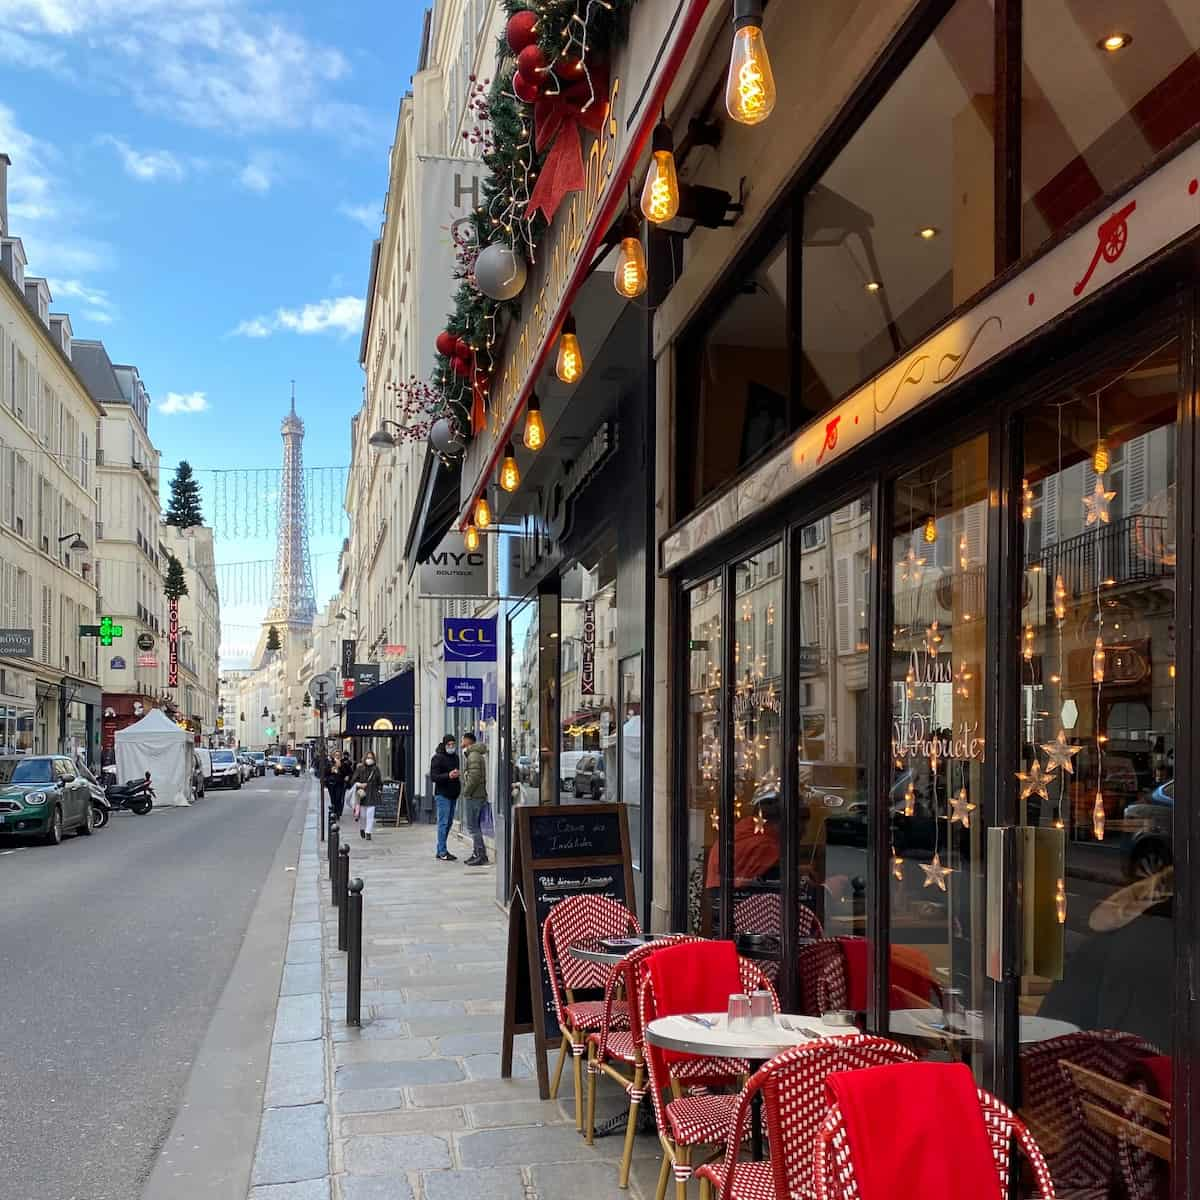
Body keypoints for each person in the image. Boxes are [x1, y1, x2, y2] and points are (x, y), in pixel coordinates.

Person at [459, 731, 489, 867]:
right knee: (474, 826)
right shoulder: (473, 755)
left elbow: (474, 777)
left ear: (468, 741)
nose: (461, 743)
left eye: (462, 740)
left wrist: (466, 792)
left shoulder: (474, 756)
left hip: (474, 796)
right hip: (476, 795)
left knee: (473, 826)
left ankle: (480, 855)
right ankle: (478, 853)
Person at [430, 734, 461, 862]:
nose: (451, 747)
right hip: (442, 794)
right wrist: (448, 775)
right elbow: (434, 777)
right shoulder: (437, 758)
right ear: (444, 744)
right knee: (443, 823)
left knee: (448, 823)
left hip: (453, 793)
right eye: (449, 744)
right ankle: (442, 851)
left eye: (453, 744)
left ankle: (440, 849)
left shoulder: (455, 757)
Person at [351, 752, 383, 840]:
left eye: (371, 758)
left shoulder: (376, 769)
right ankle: (362, 828)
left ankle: (368, 832)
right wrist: (359, 784)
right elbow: (353, 781)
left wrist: (379, 790)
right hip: (362, 795)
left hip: (372, 794)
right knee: (363, 815)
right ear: (364, 758)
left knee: (370, 815)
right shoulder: (360, 769)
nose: (369, 759)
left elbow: (379, 782)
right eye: (368, 757)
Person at [324, 751, 352, 822]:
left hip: (340, 783)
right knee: (333, 798)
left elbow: (348, 772)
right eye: (336, 755)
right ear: (333, 756)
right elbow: (325, 772)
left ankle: (337, 813)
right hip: (331, 783)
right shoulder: (329, 763)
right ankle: (334, 812)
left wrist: (341, 767)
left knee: (338, 798)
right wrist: (331, 770)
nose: (337, 756)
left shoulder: (344, 763)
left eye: (339, 755)